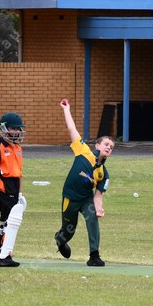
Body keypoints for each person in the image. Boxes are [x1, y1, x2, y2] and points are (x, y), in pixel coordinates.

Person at [55, 98, 114, 267]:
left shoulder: (104, 174)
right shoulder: (83, 151)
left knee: (92, 219)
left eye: (111, 147)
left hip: (86, 199)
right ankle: (60, 239)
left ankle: (94, 256)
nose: (109, 148)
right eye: (106, 144)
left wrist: (99, 208)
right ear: (97, 145)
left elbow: (98, 195)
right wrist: (66, 109)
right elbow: (71, 128)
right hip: (70, 197)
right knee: (69, 229)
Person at [0, 112, 27, 267]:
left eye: (17, 129)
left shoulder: (18, 148)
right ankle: (3, 256)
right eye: (12, 128)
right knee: (9, 221)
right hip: (4, 186)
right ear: (4, 128)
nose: (16, 131)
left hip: (15, 187)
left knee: (9, 221)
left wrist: (20, 193)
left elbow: (19, 173)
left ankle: (1, 254)